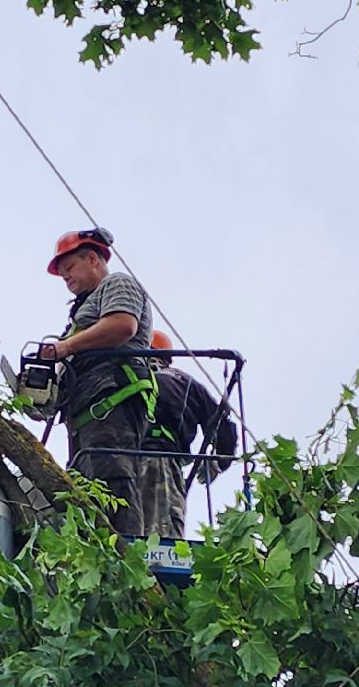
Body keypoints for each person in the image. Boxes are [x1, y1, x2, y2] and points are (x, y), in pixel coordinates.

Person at [33, 227, 157, 536]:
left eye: (70, 268)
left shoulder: (117, 284)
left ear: (92, 259)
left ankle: (126, 555)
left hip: (111, 401)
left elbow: (122, 325)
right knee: (87, 491)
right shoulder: (81, 312)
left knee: (113, 480)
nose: (66, 279)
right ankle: (98, 554)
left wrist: (64, 348)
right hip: (86, 414)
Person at [143, 330, 239, 539]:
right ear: (167, 357)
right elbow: (221, 424)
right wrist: (219, 461)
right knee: (164, 539)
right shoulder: (183, 381)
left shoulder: (116, 374)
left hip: (114, 462)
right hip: (162, 462)